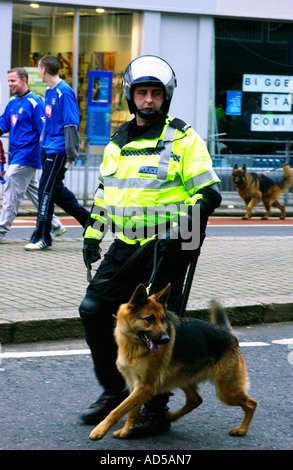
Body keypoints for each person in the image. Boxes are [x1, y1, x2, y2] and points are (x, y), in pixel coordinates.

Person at [79, 55, 222, 437]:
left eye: (155, 94)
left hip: (168, 247)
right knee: (93, 309)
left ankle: (154, 408)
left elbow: (209, 192)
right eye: (141, 93)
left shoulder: (182, 138)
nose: (148, 100)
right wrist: (92, 238)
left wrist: (184, 229)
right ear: (131, 97)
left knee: (159, 329)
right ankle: (115, 392)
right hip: (126, 246)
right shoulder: (116, 142)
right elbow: (104, 196)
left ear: (165, 98)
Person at [25, 56, 90, 251]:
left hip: (59, 150)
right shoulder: (49, 90)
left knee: (45, 191)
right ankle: (91, 222)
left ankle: (42, 237)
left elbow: (71, 124)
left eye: (38, 68)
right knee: (56, 191)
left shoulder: (64, 92)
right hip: (48, 148)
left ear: (43, 70)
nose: (38, 72)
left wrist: (71, 155)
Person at [0, 67, 65, 244]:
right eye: (8, 81)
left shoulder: (35, 102)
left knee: (10, 190)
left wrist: (46, 154)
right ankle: (56, 225)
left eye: (13, 80)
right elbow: (3, 125)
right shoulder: (12, 102)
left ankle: (1, 230)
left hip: (27, 156)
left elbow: (45, 129)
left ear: (23, 80)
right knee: (37, 193)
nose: (10, 84)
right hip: (17, 156)